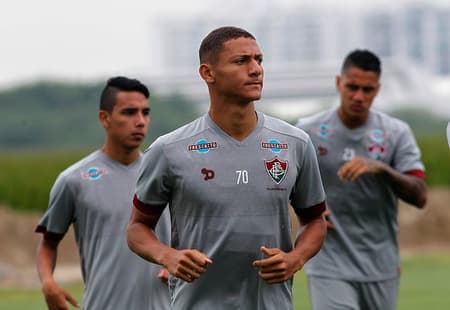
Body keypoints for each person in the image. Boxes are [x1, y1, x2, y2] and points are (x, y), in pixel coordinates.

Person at [126, 26, 327, 309]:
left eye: (259, 60)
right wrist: (167, 255)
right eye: (241, 61)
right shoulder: (169, 149)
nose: (256, 69)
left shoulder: (294, 143)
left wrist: (296, 258)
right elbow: (137, 228)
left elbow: (316, 221)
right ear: (208, 73)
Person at [296, 49, 427, 310]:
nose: (359, 96)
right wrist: (304, 211)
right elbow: (284, 183)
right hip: (328, 261)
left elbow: (420, 195)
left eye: (367, 90)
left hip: (379, 262)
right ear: (338, 83)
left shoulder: (396, 133)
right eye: (352, 87)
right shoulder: (307, 131)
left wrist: (382, 168)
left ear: (377, 89)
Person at [35, 76, 170, 310]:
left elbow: (191, 232)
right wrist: (48, 282)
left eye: (145, 113)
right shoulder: (73, 180)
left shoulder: (166, 174)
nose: (140, 121)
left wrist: (175, 259)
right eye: (129, 112)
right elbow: (48, 242)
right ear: (104, 118)